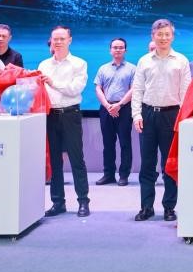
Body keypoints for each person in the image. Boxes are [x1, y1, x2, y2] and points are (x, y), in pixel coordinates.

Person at [131, 19, 191, 222]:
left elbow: (185, 93)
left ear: (172, 37)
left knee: (170, 164)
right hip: (148, 115)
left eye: (167, 34)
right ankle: (146, 207)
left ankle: (169, 207)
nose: (163, 38)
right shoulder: (144, 61)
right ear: (153, 36)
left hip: (171, 116)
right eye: (160, 34)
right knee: (147, 164)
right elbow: (137, 90)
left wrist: (183, 118)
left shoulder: (181, 61)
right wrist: (137, 115)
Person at [39, 26, 90, 217]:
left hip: (70, 114)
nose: (58, 42)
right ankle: (58, 202)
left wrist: (53, 83)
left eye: (62, 38)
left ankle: (83, 201)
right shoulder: (44, 64)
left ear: (70, 40)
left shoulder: (79, 63)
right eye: (55, 39)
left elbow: (75, 89)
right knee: (54, 160)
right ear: (51, 41)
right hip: (50, 116)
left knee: (77, 159)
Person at [94, 37, 136, 187]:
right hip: (106, 109)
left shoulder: (132, 68)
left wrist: (119, 104)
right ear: (110, 50)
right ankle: (108, 174)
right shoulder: (103, 68)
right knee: (108, 143)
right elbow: (98, 88)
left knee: (125, 143)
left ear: (125, 50)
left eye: (121, 47)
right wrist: (107, 105)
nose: (118, 50)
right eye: (115, 47)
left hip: (124, 108)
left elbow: (133, 89)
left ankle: (124, 175)